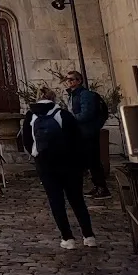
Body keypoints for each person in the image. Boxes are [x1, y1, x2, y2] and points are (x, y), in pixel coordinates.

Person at [19, 85, 95, 249]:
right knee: (77, 200)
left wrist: (36, 154)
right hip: (69, 163)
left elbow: (26, 141)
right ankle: (89, 236)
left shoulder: (31, 116)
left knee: (56, 201)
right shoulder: (64, 115)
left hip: (45, 164)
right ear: (54, 99)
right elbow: (78, 141)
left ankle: (67, 238)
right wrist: (83, 164)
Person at [64, 70, 112, 198]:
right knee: (89, 161)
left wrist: (70, 118)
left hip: (88, 132)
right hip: (80, 132)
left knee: (93, 160)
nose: (68, 82)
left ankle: (102, 187)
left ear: (79, 81)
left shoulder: (85, 95)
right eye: (67, 79)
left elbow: (86, 114)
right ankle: (97, 186)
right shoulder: (72, 95)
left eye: (71, 79)